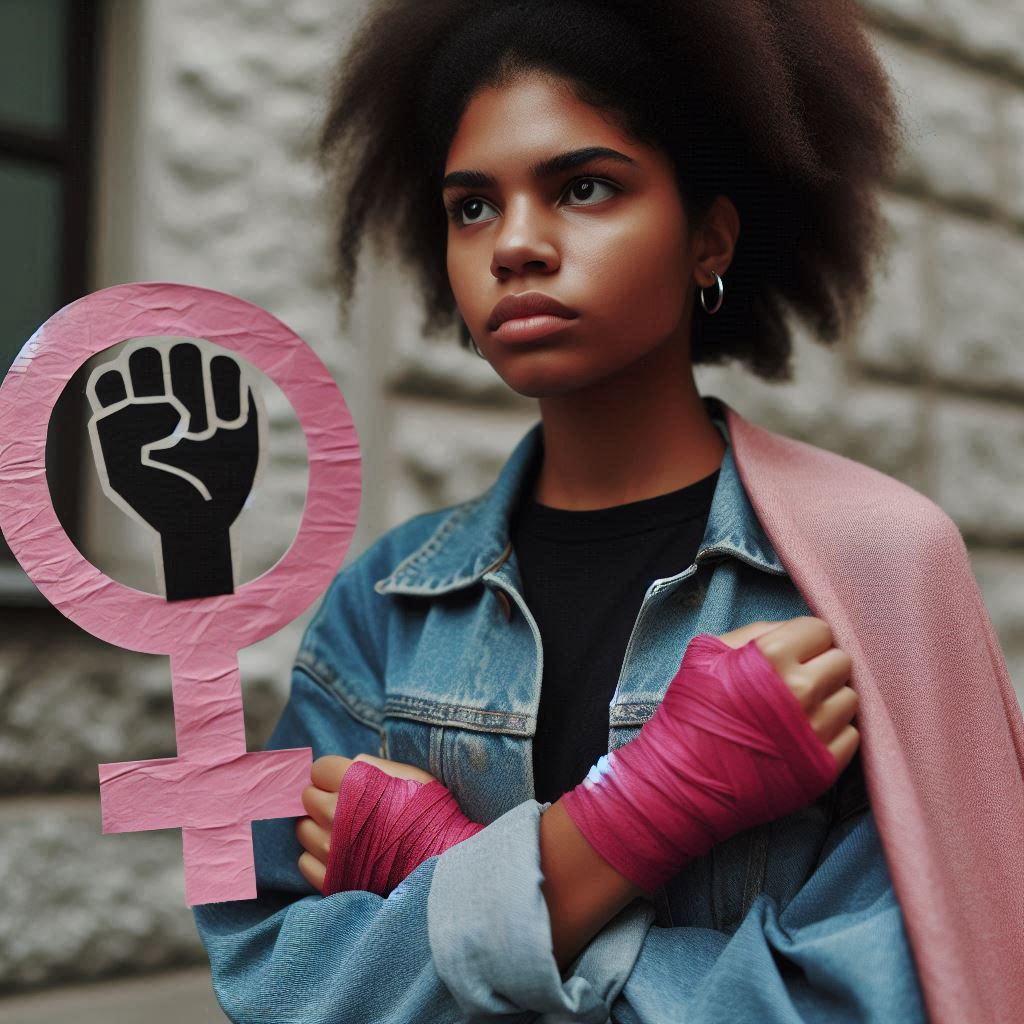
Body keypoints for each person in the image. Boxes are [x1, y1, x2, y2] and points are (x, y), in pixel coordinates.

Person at [193, 2, 1022, 1021]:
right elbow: (277, 979)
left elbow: (868, 999)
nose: (517, 246)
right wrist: (628, 825)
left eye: (583, 188)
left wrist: (449, 875)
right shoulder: (387, 602)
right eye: (471, 207)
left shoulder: (870, 572)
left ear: (707, 238)